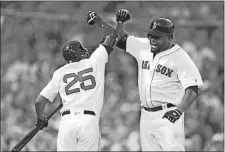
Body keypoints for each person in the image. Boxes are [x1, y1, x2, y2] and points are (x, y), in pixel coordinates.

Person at [89, 9, 203, 151]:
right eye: (151, 35)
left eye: (157, 36)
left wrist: (179, 110)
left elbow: (193, 87)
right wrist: (114, 22)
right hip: (146, 115)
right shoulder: (144, 46)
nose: (153, 39)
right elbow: (117, 38)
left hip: (167, 114)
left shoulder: (180, 57)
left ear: (170, 37)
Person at [34, 12, 118, 151]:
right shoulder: (94, 61)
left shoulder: (60, 72)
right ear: (80, 53)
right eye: (81, 48)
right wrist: (97, 19)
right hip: (88, 121)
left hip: (67, 123)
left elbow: (39, 101)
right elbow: (111, 34)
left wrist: (41, 118)